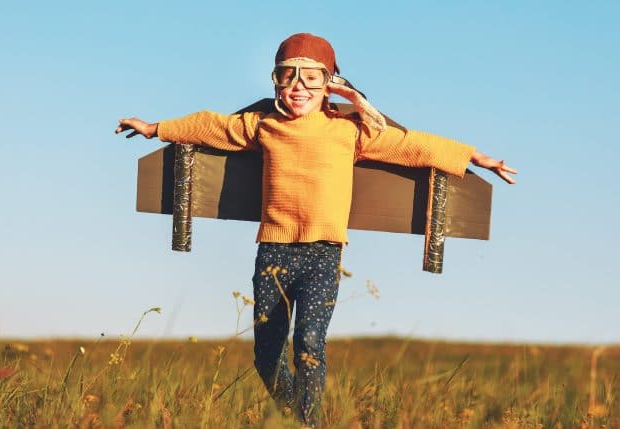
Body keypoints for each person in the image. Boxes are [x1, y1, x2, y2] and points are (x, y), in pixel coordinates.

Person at [116, 33, 516, 427]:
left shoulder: (350, 131)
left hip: (324, 254)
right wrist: (155, 128)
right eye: (286, 77)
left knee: (308, 344)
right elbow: (210, 125)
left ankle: (308, 424)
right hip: (273, 251)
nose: (297, 88)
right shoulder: (263, 126)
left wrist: (474, 157)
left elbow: (413, 146)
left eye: (310, 78)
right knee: (267, 355)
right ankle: (293, 415)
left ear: (330, 85)